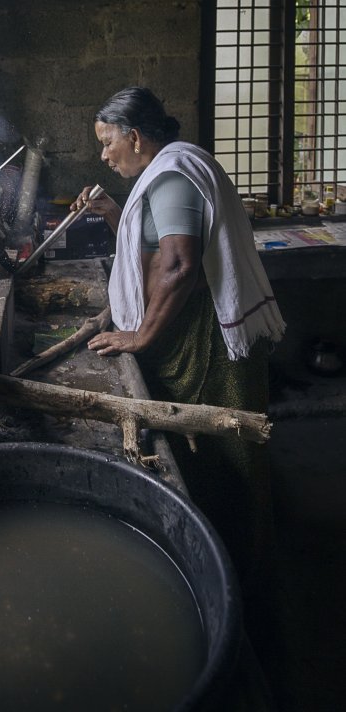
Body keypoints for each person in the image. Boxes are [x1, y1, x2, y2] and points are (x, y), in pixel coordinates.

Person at [71, 86, 285, 602]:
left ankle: (245, 586)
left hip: (206, 340)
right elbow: (153, 238)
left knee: (230, 455)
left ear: (135, 136)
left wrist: (141, 334)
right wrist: (111, 212)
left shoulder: (170, 176)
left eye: (106, 143)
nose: (103, 155)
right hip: (191, 332)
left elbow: (179, 264)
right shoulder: (168, 171)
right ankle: (219, 560)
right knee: (206, 457)